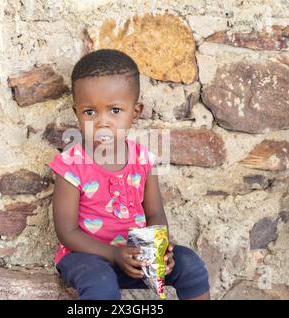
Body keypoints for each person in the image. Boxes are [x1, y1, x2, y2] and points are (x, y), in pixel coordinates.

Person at [49, 49, 210, 300]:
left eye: (115, 110)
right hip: (85, 259)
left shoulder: (143, 160)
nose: (103, 122)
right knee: (101, 284)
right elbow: (67, 232)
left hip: (134, 257)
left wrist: (160, 249)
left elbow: (155, 213)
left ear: (135, 112)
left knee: (190, 265)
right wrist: (113, 254)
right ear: (77, 112)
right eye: (90, 112)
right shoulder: (71, 165)